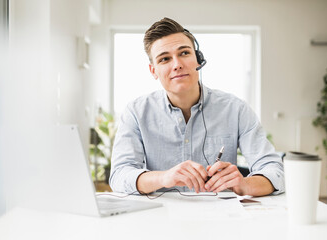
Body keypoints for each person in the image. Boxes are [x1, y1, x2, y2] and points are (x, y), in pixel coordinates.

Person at [109, 17, 284, 197]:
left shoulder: (236, 110)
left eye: (184, 53)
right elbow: (119, 176)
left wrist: (246, 184)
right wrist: (164, 178)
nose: (177, 64)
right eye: (164, 59)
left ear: (199, 60)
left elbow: (274, 171)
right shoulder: (136, 113)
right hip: (160, 218)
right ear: (153, 71)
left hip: (221, 217)